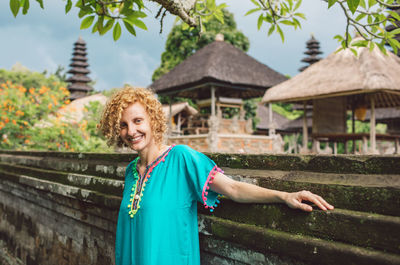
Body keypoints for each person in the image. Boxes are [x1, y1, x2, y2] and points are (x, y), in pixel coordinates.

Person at [99, 86, 334, 265]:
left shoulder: (181, 158)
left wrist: (283, 196)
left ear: (153, 120)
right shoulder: (131, 172)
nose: (131, 131)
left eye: (138, 121)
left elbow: (232, 189)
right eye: (122, 125)